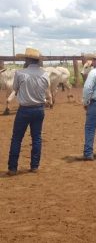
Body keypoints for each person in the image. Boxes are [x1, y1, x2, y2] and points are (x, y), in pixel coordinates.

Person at [7, 48, 52, 176]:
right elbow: (46, 90)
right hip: (39, 109)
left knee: (16, 138)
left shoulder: (20, 73)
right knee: (36, 138)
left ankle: (13, 168)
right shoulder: (44, 74)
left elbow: (15, 89)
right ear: (38, 61)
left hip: (24, 109)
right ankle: (34, 166)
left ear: (26, 60)